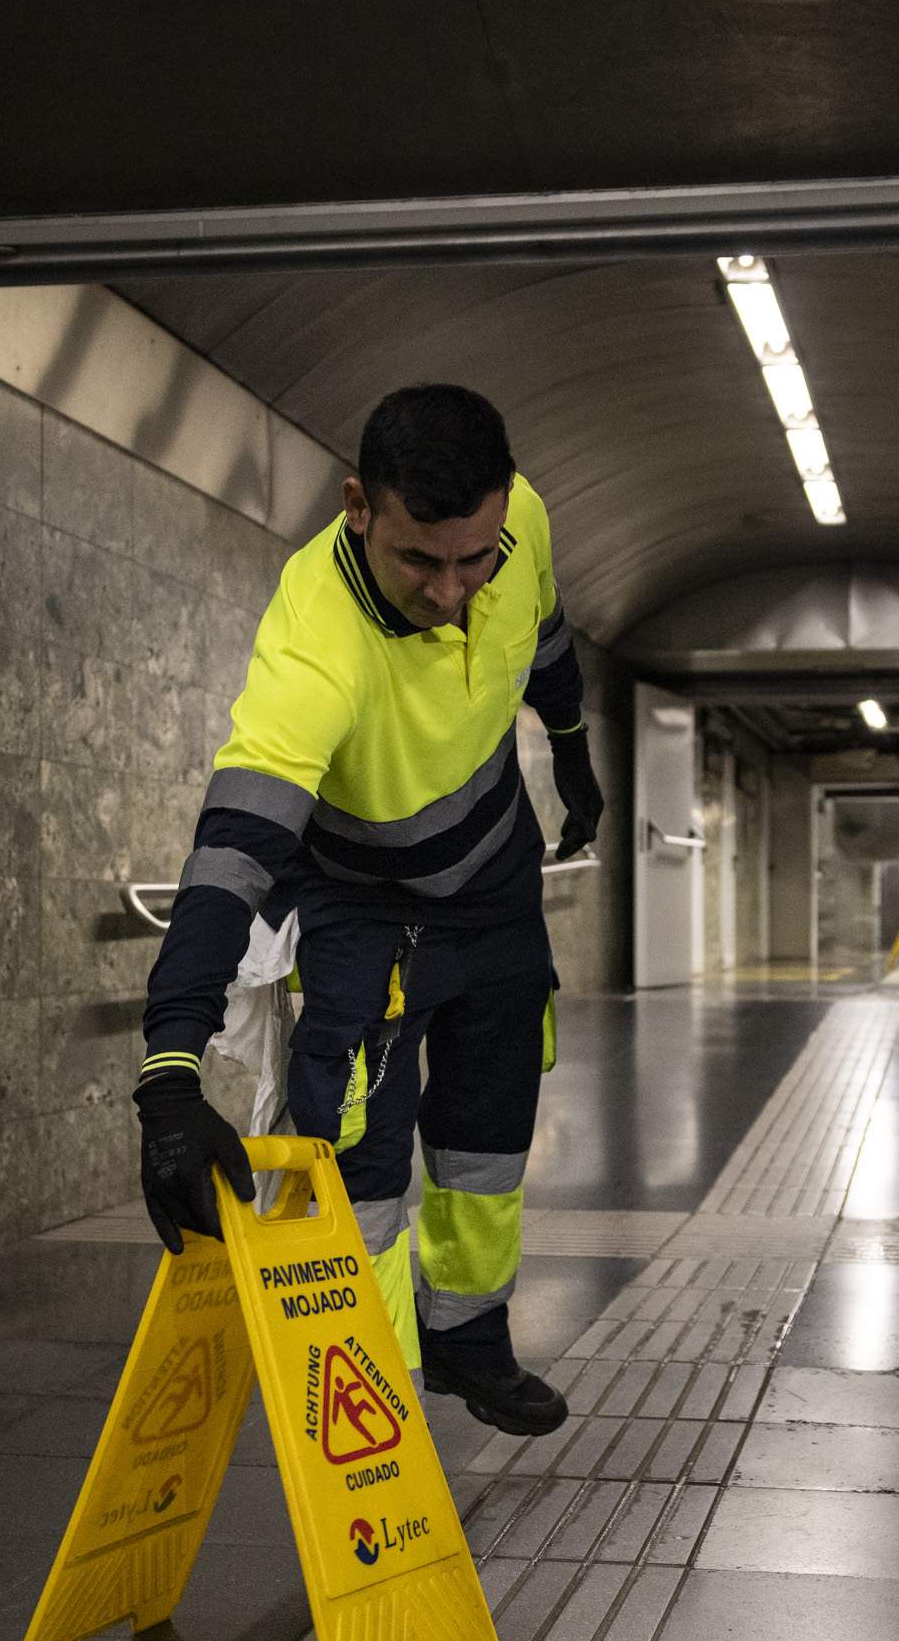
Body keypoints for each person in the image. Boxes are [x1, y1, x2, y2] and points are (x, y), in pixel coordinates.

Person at [133, 384, 601, 1437]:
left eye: (472, 558)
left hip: (496, 890)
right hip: (362, 910)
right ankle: (375, 1420)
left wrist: (575, 759)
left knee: (488, 1141)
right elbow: (234, 849)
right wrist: (169, 1068)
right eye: (419, 562)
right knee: (361, 1174)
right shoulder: (317, 642)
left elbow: (549, 633)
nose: (451, 591)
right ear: (357, 506)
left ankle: (470, 1342)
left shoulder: (516, 520)